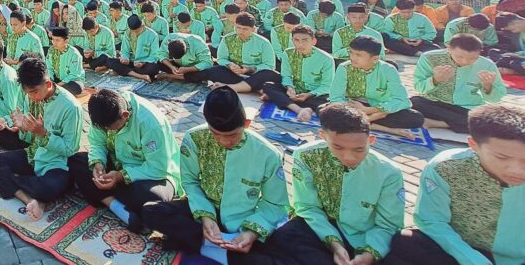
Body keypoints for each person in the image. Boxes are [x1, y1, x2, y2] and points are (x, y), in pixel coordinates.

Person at [143, 86, 289, 258]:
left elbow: (275, 204)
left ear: (247, 124)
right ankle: (218, 247)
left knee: (282, 246)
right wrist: (206, 216)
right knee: (151, 211)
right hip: (204, 207)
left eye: (232, 135)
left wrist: (252, 232)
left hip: (242, 218)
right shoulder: (194, 138)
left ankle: (205, 243)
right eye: (215, 134)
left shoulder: (268, 154)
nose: (223, 141)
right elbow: (190, 182)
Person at [256, 103, 405, 265]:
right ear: (323, 136)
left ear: (371, 140)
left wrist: (369, 254)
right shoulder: (306, 156)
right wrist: (335, 244)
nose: (349, 157)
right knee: (281, 237)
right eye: (338, 147)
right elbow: (307, 207)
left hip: (363, 237)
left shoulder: (389, 173)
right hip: (319, 227)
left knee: (403, 250)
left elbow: (388, 225)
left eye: (359, 149)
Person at [385, 103, 525, 265]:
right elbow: (432, 221)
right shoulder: (446, 167)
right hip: (466, 249)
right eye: (502, 157)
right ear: (473, 145)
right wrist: (473, 260)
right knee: (405, 242)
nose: (517, 170)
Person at [0, 57, 84, 221]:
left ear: (48, 84)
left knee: (48, 188)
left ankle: (17, 183)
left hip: (55, 163)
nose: (31, 97)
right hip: (33, 154)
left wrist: (44, 135)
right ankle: (28, 198)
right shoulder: (29, 96)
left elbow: (70, 149)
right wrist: (22, 127)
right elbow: (29, 138)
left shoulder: (71, 107)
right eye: (28, 92)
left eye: (34, 92)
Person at [68, 89, 180, 232]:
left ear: (125, 115)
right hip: (117, 165)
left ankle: (106, 195)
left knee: (150, 196)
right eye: (103, 128)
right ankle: (116, 207)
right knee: (76, 161)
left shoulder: (151, 123)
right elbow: (97, 142)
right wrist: (98, 163)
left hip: (152, 175)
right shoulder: (102, 112)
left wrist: (121, 176)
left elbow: (158, 168)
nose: (106, 130)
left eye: (109, 128)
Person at [411, 33, 506, 134]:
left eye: (472, 58)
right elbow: (419, 87)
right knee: (414, 103)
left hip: (467, 107)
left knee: (493, 121)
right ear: (449, 48)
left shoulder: (487, 65)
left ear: (480, 52)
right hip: (436, 103)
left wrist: (488, 86)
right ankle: (461, 123)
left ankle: (438, 123)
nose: (465, 61)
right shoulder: (429, 58)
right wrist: (435, 80)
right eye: (460, 57)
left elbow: (496, 99)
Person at [329, 36, 424, 135]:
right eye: (351, 52)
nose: (353, 57)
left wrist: (370, 110)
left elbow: (402, 100)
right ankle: (375, 124)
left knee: (416, 118)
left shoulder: (388, 70)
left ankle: (362, 122)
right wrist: (356, 109)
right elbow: (335, 97)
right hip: (354, 107)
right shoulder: (344, 67)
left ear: (375, 58)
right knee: (328, 111)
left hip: (379, 107)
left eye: (358, 55)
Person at [260, 25, 336, 122]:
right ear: (292, 40)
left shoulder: (326, 59)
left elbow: (327, 86)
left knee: (325, 107)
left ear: (314, 41)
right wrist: (289, 87)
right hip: (295, 92)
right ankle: (299, 109)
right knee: (268, 86)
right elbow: (286, 75)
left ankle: (287, 102)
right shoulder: (288, 53)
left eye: (305, 40)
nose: (300, 44)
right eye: (296, 40)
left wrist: (309, 94)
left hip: (315, 94)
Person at [199, 13, 280, 94]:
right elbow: (221, 58)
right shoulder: (227, 39)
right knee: (215, 70)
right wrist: (230, 65)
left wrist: (249, 69)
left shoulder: (263, 43)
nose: (241, 31)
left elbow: (269, 66)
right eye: (238, 28)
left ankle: (233, 87)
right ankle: (254, 88)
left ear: (253, 29)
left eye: (245, 29)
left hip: (255, 76)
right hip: (234, 74)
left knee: (270, 75)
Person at [110, 15, 162, 82]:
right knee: (110, 61)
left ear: (143, 26)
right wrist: (125, 58)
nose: (135, 33)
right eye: (133, 31)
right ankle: (140, 76)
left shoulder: (153, 35)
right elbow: (125, 50)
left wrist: (142, 63)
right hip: (132, 61)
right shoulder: (128, 33)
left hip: (144, 63)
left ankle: (127, 72)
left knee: (154, 68)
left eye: (137, 31)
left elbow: (154, 55)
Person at [46, 27, 85, 95]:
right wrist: (50, 80)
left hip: (72, 80)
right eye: (53, 39)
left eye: (57, 40)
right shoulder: (51, 50)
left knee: (76, 87)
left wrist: (58, 85)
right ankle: (57, 91)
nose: (54, 43)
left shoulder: (74, 54)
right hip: (57, 78)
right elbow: (49, 68)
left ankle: (56, 91)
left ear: (66, 41)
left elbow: (74, 74)